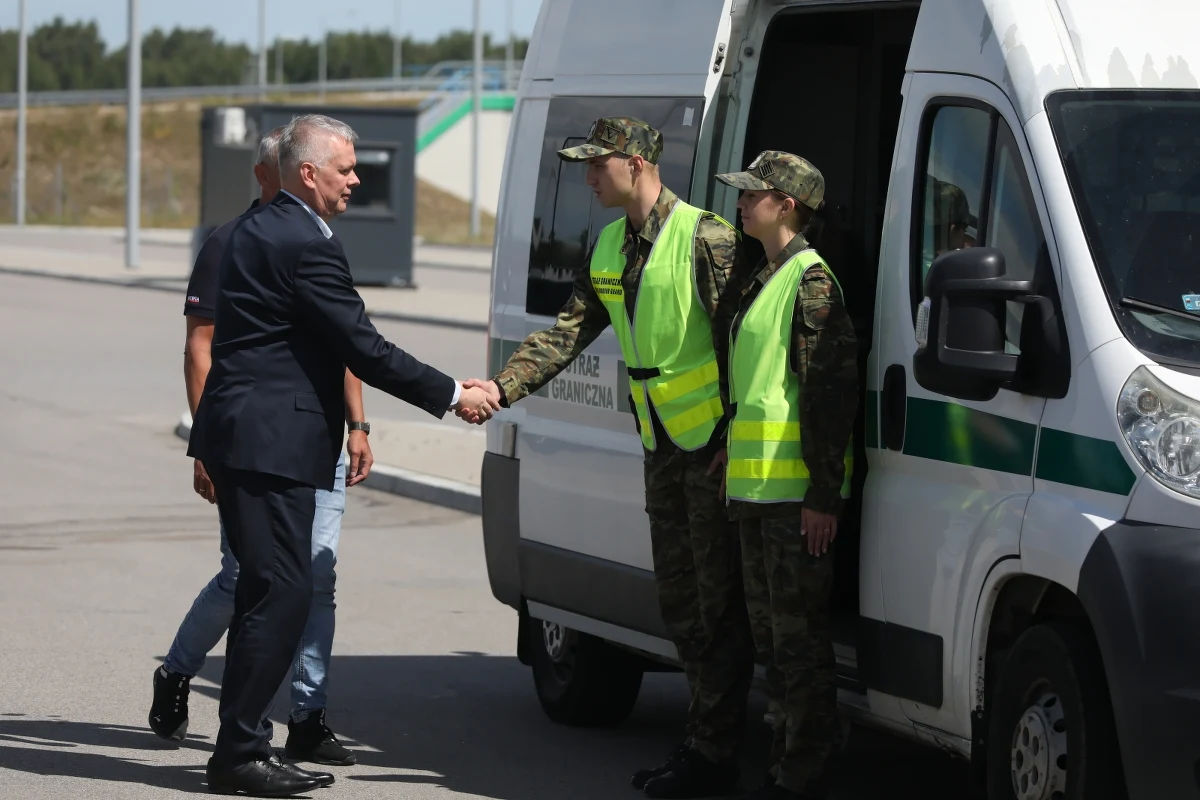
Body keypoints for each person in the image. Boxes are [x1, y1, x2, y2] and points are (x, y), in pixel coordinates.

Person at [188, 113, 497, 798]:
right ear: (308, 173)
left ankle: (240, 746)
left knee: (267, 590)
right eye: (346, 168)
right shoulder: (305, 242)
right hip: (270, 443)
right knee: (283, 590)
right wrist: (451, 394)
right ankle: (238, 753)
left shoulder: (256, 231)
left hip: (244, 435)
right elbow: (362, 345)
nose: (357, 179)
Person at [464, 117, 754, 799]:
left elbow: (748, 341)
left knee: (719, 613)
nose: (588, 177)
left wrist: (734, 438)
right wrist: (500, 387)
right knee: (683, 608)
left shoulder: (706, 239)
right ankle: (702, 746)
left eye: (596, 166)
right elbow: (567, 334)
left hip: (711, 451)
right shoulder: (611, 246)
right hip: (662, 449)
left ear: (634, 163)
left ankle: (715, 755)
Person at [149, 126, 368, 769]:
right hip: (253, 441)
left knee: (313, 578)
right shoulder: (232, 243)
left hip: (315, 435)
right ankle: (184, 675)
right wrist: (205, 444)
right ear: (272, 173)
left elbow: (347, 341)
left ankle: (305, 716)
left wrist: (359, 425)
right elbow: (203, 347)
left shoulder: (318, 242)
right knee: (251, 578)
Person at [712, 151, 858, 800]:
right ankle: (786, 760)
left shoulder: (810, 282)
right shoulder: (764, 275)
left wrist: (823, 496)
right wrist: (729, 446)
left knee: (798, 644)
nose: (741, 203)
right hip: (755, 487)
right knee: (773, 639)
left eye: (753, 195)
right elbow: (759, 386)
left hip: (793, 495)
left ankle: (804, 771)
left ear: (788, 205)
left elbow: (828, 396)